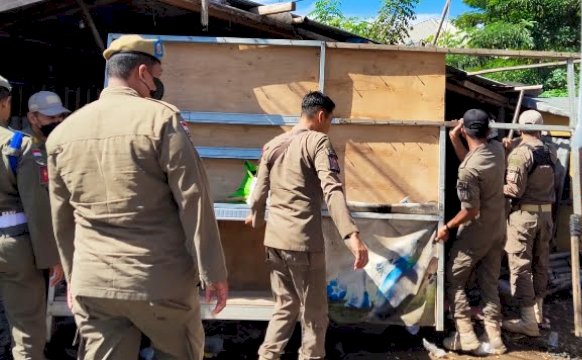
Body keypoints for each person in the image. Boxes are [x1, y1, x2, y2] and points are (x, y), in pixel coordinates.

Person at [46, 35, 228, 360]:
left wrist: (73, 278)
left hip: (94, 282)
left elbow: (61, 219)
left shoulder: (62, 133)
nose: (156, 85)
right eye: (156, 77)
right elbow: (194, 201)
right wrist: (212, 272)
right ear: (143, 73)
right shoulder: (162, 120)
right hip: (158, 279)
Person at [246, 91, 369, 360]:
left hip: (274, 241)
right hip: (302, 242)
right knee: (314, 313)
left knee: (284, 306)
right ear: (322, 116)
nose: (329, 127)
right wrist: (351, 234)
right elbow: (332, 190)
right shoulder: (318, 141)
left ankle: (267, 356)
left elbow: (257, 191)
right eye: (330, 120)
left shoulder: (273, 144)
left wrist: (255, 216)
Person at [0, 74, 62, 360]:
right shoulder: (19, 144)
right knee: (26, 335)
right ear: (7, 103)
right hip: (13, 246)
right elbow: (38, 211)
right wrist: (52, 260)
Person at [436, 109, 507, 354]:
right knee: (489, 282)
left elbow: (470, 210)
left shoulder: (468, 171)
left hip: (476, 232)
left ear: (465, 129)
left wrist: (447, 227)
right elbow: (471, 162)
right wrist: (456, 139)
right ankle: (495, 338)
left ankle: (466, 335)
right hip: (498, 229)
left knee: (454, 279)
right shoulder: (497, 151)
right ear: (488, 131)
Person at [502, 110, 557, 336]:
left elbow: (514, 191)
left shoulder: (519, 155)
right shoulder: (550, 151)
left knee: (521, 267)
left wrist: (494, 185)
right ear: (541, 128)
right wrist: (513, 144)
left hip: (524, 217)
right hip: (545, 216)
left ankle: (527, 322)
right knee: (540, 264)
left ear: (519, 128)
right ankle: (538, 314)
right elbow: (532, 144)